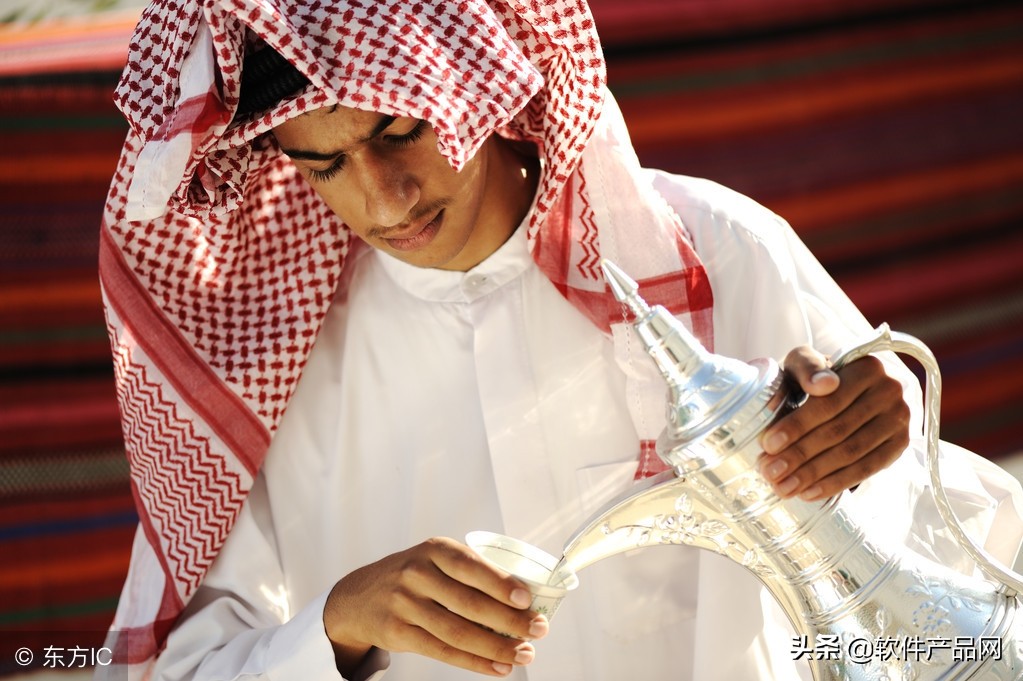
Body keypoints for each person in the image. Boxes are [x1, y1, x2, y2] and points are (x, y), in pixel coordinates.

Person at [97, 1, 1023, 680]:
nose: (386, 198)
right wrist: (339, 624)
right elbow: (171, 669)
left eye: (403, 132)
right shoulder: (263, 370)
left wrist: (874, 443)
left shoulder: (714, 250)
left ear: (482, 83)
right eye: (326, 162)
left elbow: (939, 564)